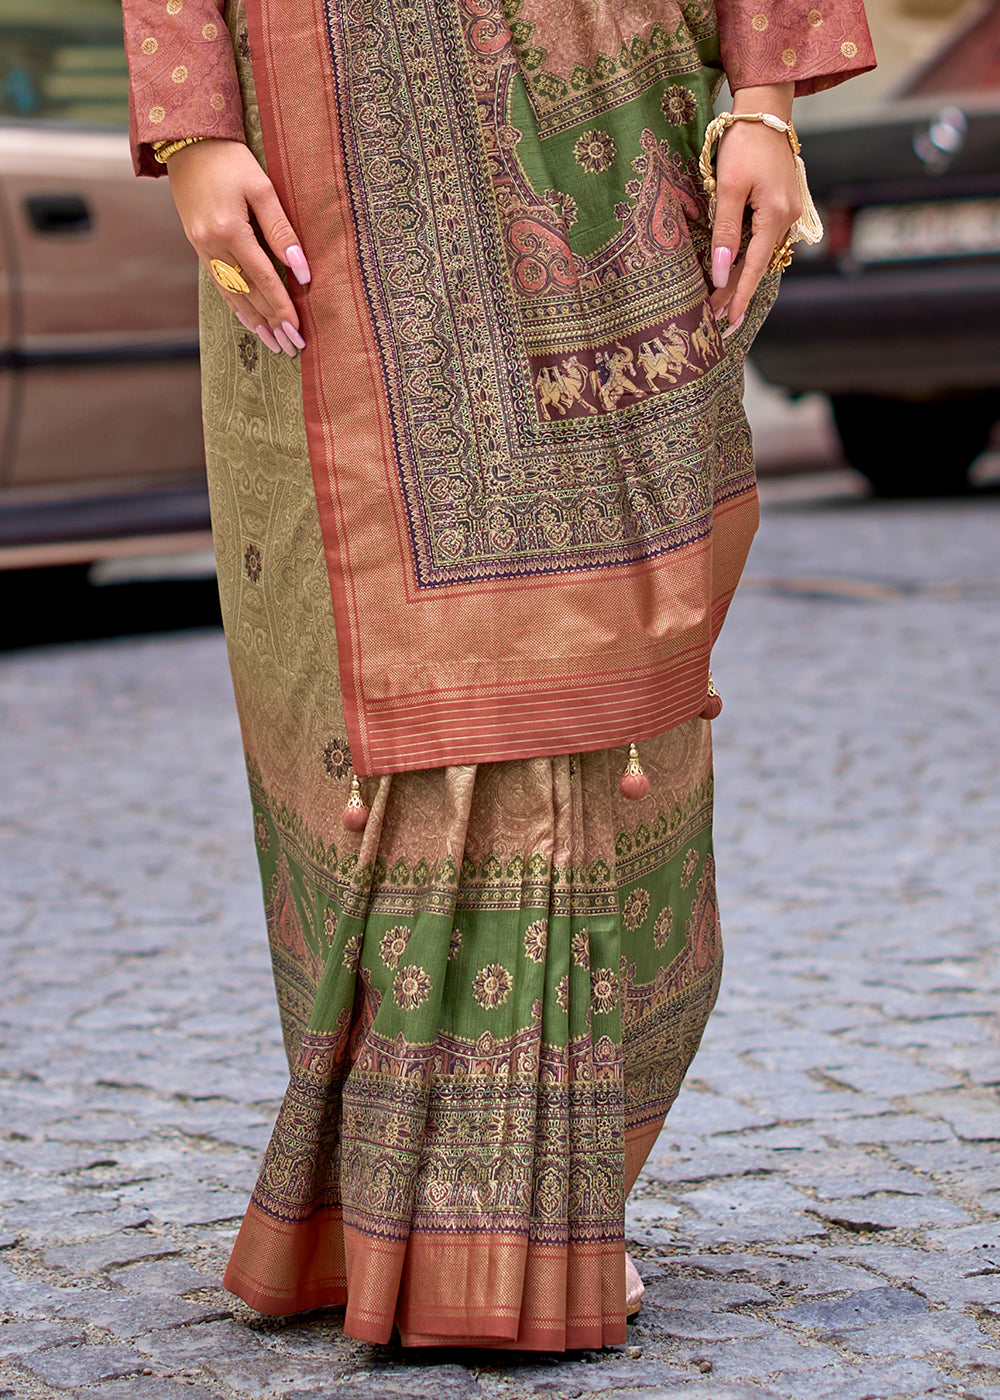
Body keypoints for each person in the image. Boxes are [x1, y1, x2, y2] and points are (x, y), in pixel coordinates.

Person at [123, 0, 873, 1350]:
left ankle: (538, 1200)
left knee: (601, 647)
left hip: (609, 124)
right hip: (335, 154)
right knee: (401, 669)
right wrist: (190, 122)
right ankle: (432, 1217)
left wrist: (767, 98)